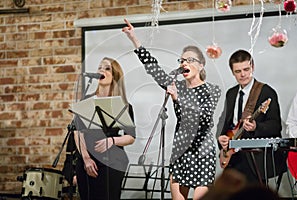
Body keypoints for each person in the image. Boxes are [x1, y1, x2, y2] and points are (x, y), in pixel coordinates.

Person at [122, 19, 221, 200]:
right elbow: (153, 68)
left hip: (202, 152)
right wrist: (134, 39)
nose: (184, 63)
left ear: (201, 65)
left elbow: (203, 117)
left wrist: (178, 99)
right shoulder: (178, 85)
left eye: (190, 60)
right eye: (182, 60)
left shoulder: (212, 89)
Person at [216, 49, 287, 185]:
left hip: (254, 158)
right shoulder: (231, 93)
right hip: (233, 157)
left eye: (246, 69)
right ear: (232, 72)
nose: (243, 74)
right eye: (238, 71)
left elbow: (275, 125)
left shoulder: (266, 91)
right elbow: (225, 122)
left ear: (252, 67)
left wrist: (256, 127)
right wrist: (222, 138)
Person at [73, 57, 136, 200]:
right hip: (88, 160)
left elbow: (130, 137)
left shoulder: (124, 105)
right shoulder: (86, 100)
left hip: (113, 161)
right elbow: (77, 132)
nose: (101, 70)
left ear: (115, 76)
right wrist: (86, 158)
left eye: (107, 68)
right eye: (100, 67)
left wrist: (112, 141)